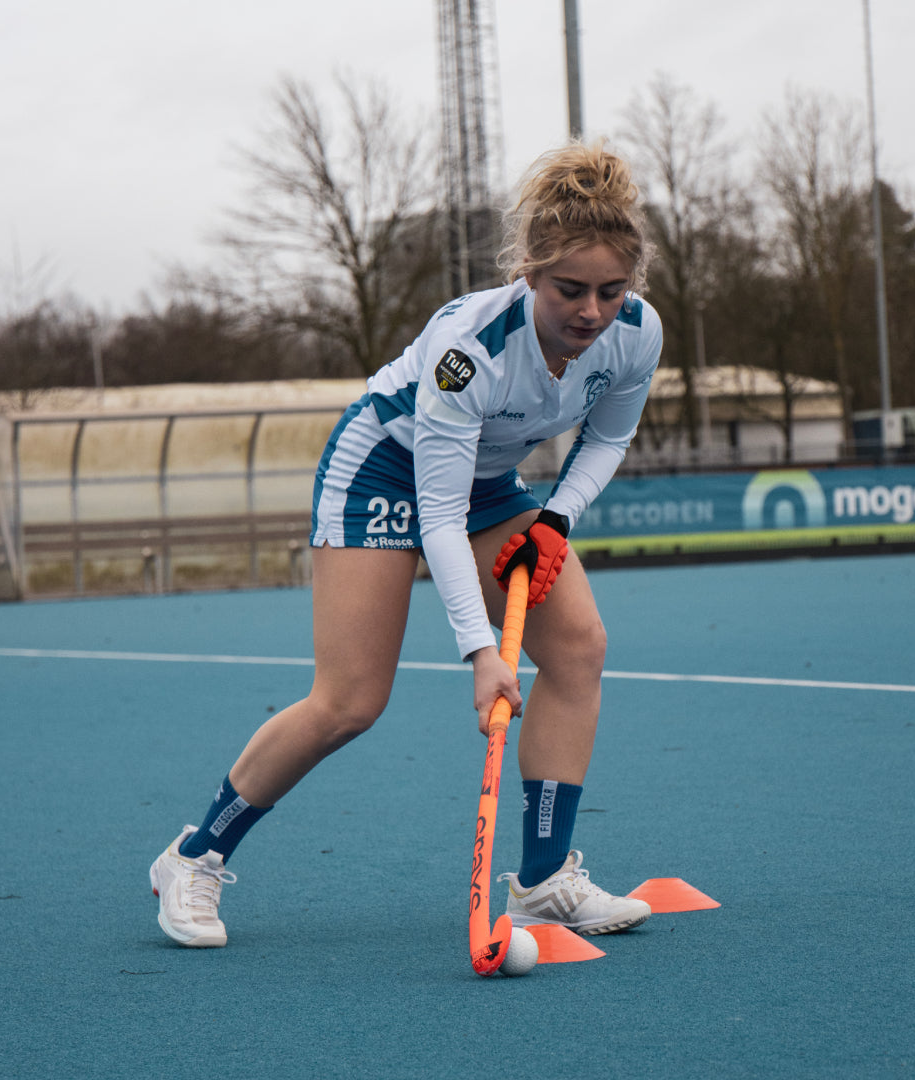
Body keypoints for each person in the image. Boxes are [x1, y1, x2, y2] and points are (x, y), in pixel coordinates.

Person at [150, 140, 663, 948]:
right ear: (528, 273)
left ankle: (543, 883)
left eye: (609, 290)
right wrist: (480, 653)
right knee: (350, 701)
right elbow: (436, 509)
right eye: (570, 290)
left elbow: (608, 439)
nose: (591, 313)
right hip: (387, 468)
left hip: (491, 481)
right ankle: (194, 854)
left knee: (578, 648)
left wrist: (557, 520)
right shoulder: (469, 349)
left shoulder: (637, 333)